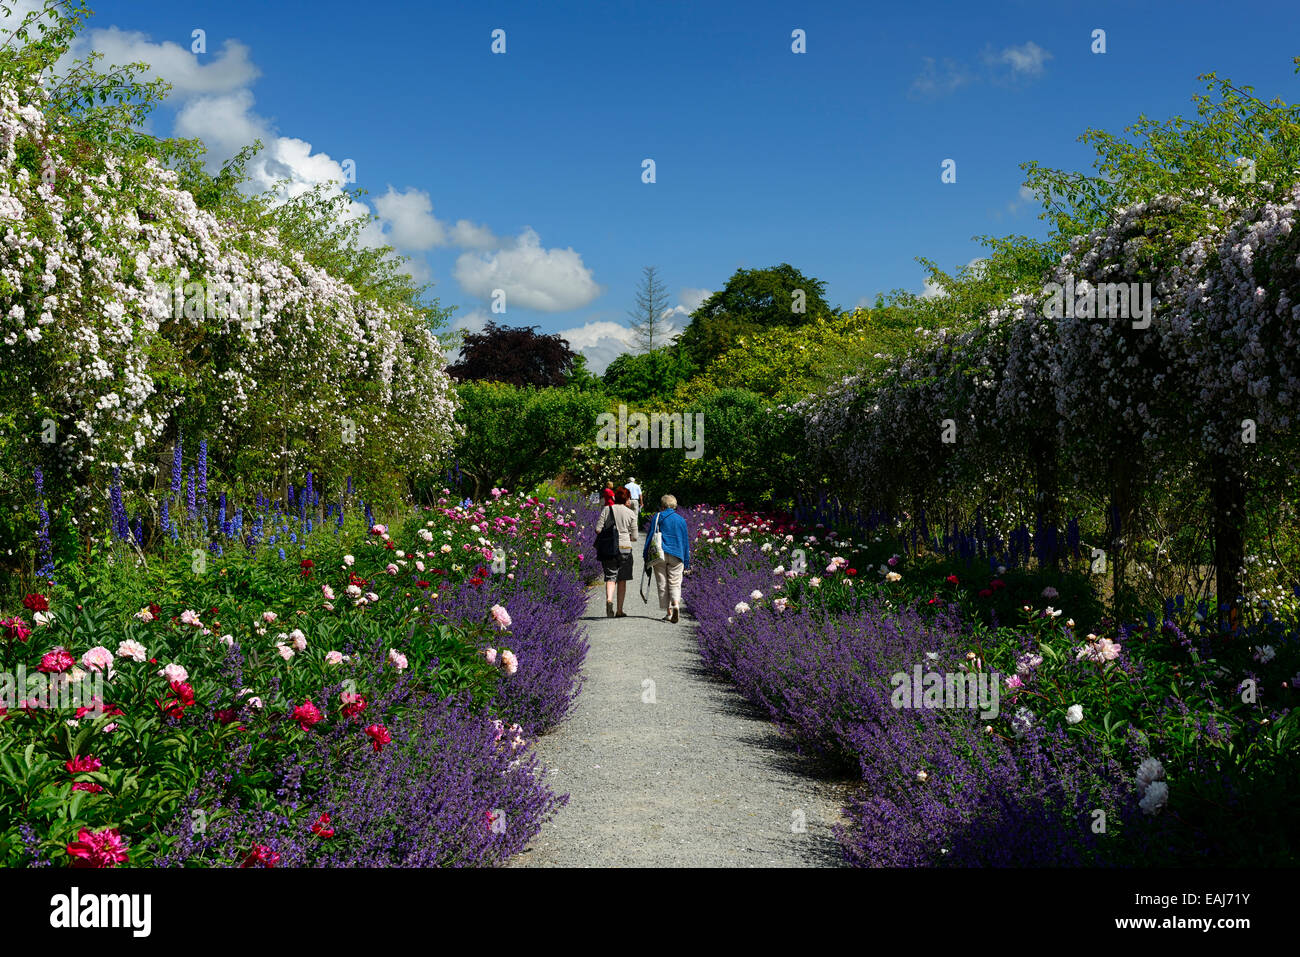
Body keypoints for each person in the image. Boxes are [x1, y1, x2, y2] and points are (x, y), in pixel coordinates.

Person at [644, 493, 690, 623]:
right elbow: (685, 541)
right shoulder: (681, 520)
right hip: (677, 554)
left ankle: (669, 612)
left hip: (660, 554)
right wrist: (686, 560)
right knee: (675, 583)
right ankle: (675, 605)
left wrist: (645, 556)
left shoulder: (657, 517)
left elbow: (650, 537)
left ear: (663, 506)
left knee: (662, 583)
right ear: (674, 505)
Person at [594, 486, 638, 617]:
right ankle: (619, 610)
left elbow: (597, 529)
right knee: (622, 579)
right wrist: (627, 536)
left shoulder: (607, 509)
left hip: (609, 548)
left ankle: (609, 600)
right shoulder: (631, 513)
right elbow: (635, 536)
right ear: (627, 498)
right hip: (625, 548)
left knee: (610, 577)